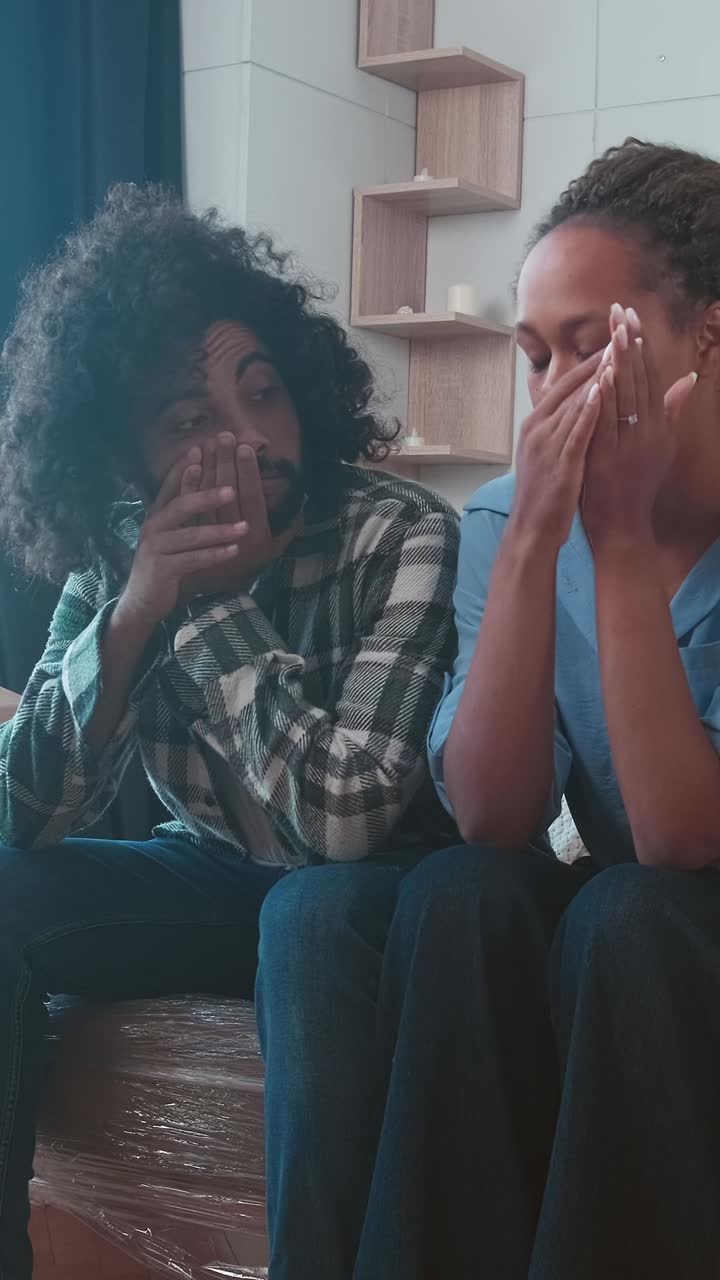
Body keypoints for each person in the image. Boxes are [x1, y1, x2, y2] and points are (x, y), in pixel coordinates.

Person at [258, 137, 720, 1280]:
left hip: (674, 905)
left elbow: (681, 840)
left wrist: (614, 544)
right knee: (457, 890)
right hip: (635, 903)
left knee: (627, 912)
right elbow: (495, 814)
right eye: (533, 356)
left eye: (591, 344)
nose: (558, 389)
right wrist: (527, 546)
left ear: (706, 336)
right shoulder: (513, 514)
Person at [0, 184, 460, 1279]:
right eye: (191, 421)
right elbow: (26, 811)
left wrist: (207, 604)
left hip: (379, 891)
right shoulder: (124, 558)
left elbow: (345, 821)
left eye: (262, 391)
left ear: (303, 388)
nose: (246, 438)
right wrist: (136, 608)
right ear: (127, 462)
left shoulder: (401, 533)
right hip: (207, 871)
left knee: (306, 909)